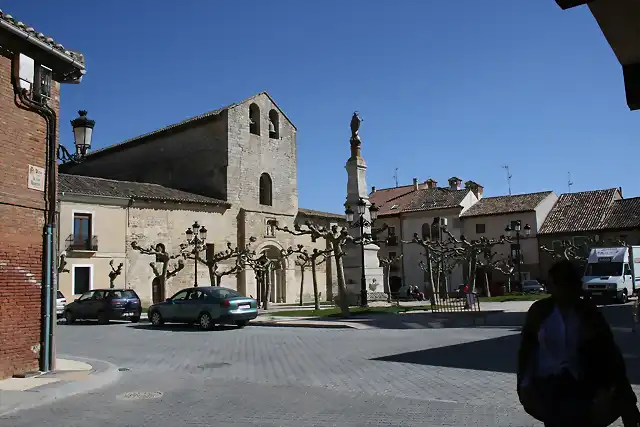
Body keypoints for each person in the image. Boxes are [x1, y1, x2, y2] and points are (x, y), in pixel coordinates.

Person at [517, 259, 640, 427]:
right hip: (547, 381)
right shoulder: (540, 311)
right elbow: (527, 349)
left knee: (575, 411)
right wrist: (524, 385)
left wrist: (608, 387)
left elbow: (608, 351)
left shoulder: (587, 311)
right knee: (564, 410)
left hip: (581, 380)